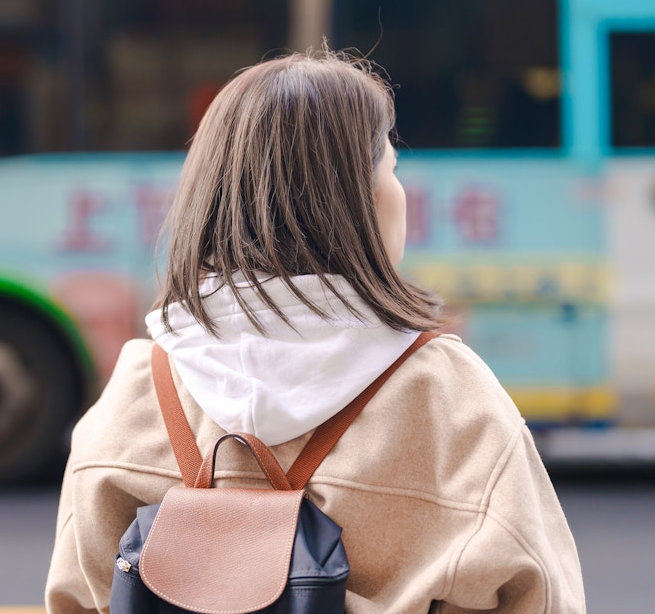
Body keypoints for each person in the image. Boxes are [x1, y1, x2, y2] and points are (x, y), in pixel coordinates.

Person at [45, 52, 585, 613]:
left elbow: (77, 596)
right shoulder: (447, 396)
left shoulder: (139, 389)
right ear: (363, 200)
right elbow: (541, 598)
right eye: (391, 169)